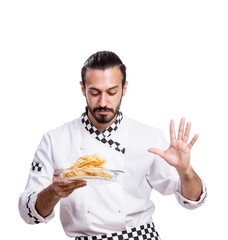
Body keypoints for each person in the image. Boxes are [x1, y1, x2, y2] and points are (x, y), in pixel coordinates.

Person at [18, 51, 207, 240]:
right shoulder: (55, 140)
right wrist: (53, 191)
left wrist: (185, 171)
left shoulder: (149, 137)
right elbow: (28, 214)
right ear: (83, 89)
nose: (103, 102)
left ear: (124, 89)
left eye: (111, 92)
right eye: (94, 92)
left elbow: (192, 201)